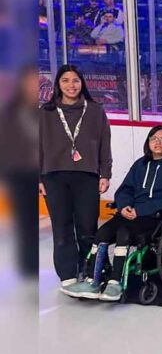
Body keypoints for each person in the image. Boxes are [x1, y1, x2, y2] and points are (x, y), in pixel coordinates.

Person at [66, 127, 162, 301]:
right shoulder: (140, 164)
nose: (157, 142)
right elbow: (125, 189)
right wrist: (124, 206)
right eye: (153, 138)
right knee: (103, 232)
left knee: (124, 234)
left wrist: (142, 210)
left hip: (155, 217)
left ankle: (115, 282)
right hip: (129, 212)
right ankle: (92, 281)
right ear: (148, 143)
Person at [40, 65, 112, 296]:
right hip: (53, 177)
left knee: (87, 227)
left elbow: (104, 143)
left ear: (82, 83)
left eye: (76, 81)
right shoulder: (45, 112)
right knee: (61, 228)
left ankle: (89, 268)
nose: (71, 85)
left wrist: (105, 173)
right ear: (58, 85)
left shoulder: (95, 110)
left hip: (87, 176)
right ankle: (68, 274)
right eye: (65, 81)